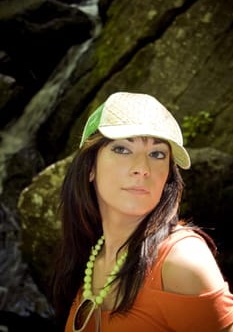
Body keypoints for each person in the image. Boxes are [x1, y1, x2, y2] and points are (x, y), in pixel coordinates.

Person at [50, 92, 233, 332]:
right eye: (123, 149)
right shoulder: (90, 254)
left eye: (157, 154)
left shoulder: (180, 261)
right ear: (90, 167)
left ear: (168, 175)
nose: (142, 168)